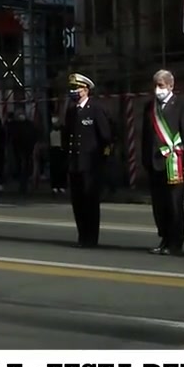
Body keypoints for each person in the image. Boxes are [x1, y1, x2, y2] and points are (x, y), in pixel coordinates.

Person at [142, 69, 184, 256]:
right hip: (154, 164)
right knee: (159, 205)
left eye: (161, 85)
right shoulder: (149, 107)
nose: (157, 89)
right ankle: (164, 237)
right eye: (155, 85)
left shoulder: (180, 105)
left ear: (171, 86)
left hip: (174, 163)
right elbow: (145, 136)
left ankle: (175, 242)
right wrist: (144, 160)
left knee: (174, 204)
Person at [63, 73, 111, 248]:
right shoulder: (71, 111)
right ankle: (82, 235)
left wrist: (101, 161)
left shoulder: (95, 109)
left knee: (90, 201)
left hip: (91, 165)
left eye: (76, 88)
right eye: (71, 89)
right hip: (75, 163)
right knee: (78, 202)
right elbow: (66, 136)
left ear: (85, 90)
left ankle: (91, 237)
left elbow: (106, 136)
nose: (73, 92)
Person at [49, 114, 68, 194]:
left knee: (62, 169)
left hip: (61, 150)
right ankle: (55, 186)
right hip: (53, 150)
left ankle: (62, 186)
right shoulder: (50, 130)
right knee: (54, 169)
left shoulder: (63, 130)